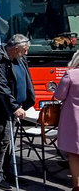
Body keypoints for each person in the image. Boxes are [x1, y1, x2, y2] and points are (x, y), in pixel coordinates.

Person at [0, 34, 35, 190]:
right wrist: (14, 107)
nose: (26, 54)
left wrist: (27, 101)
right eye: (24, 50)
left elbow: (27, 78)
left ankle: (8, 172)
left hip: (15, 105)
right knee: (4, 138)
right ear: (15, 48)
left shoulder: (19, 58)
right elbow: (0, 86)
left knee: (10, 140)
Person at [55, 50, 79, 191]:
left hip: (74, 120)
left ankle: (77, 186)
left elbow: (59, 95)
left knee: (75, 154)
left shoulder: (71, 74)